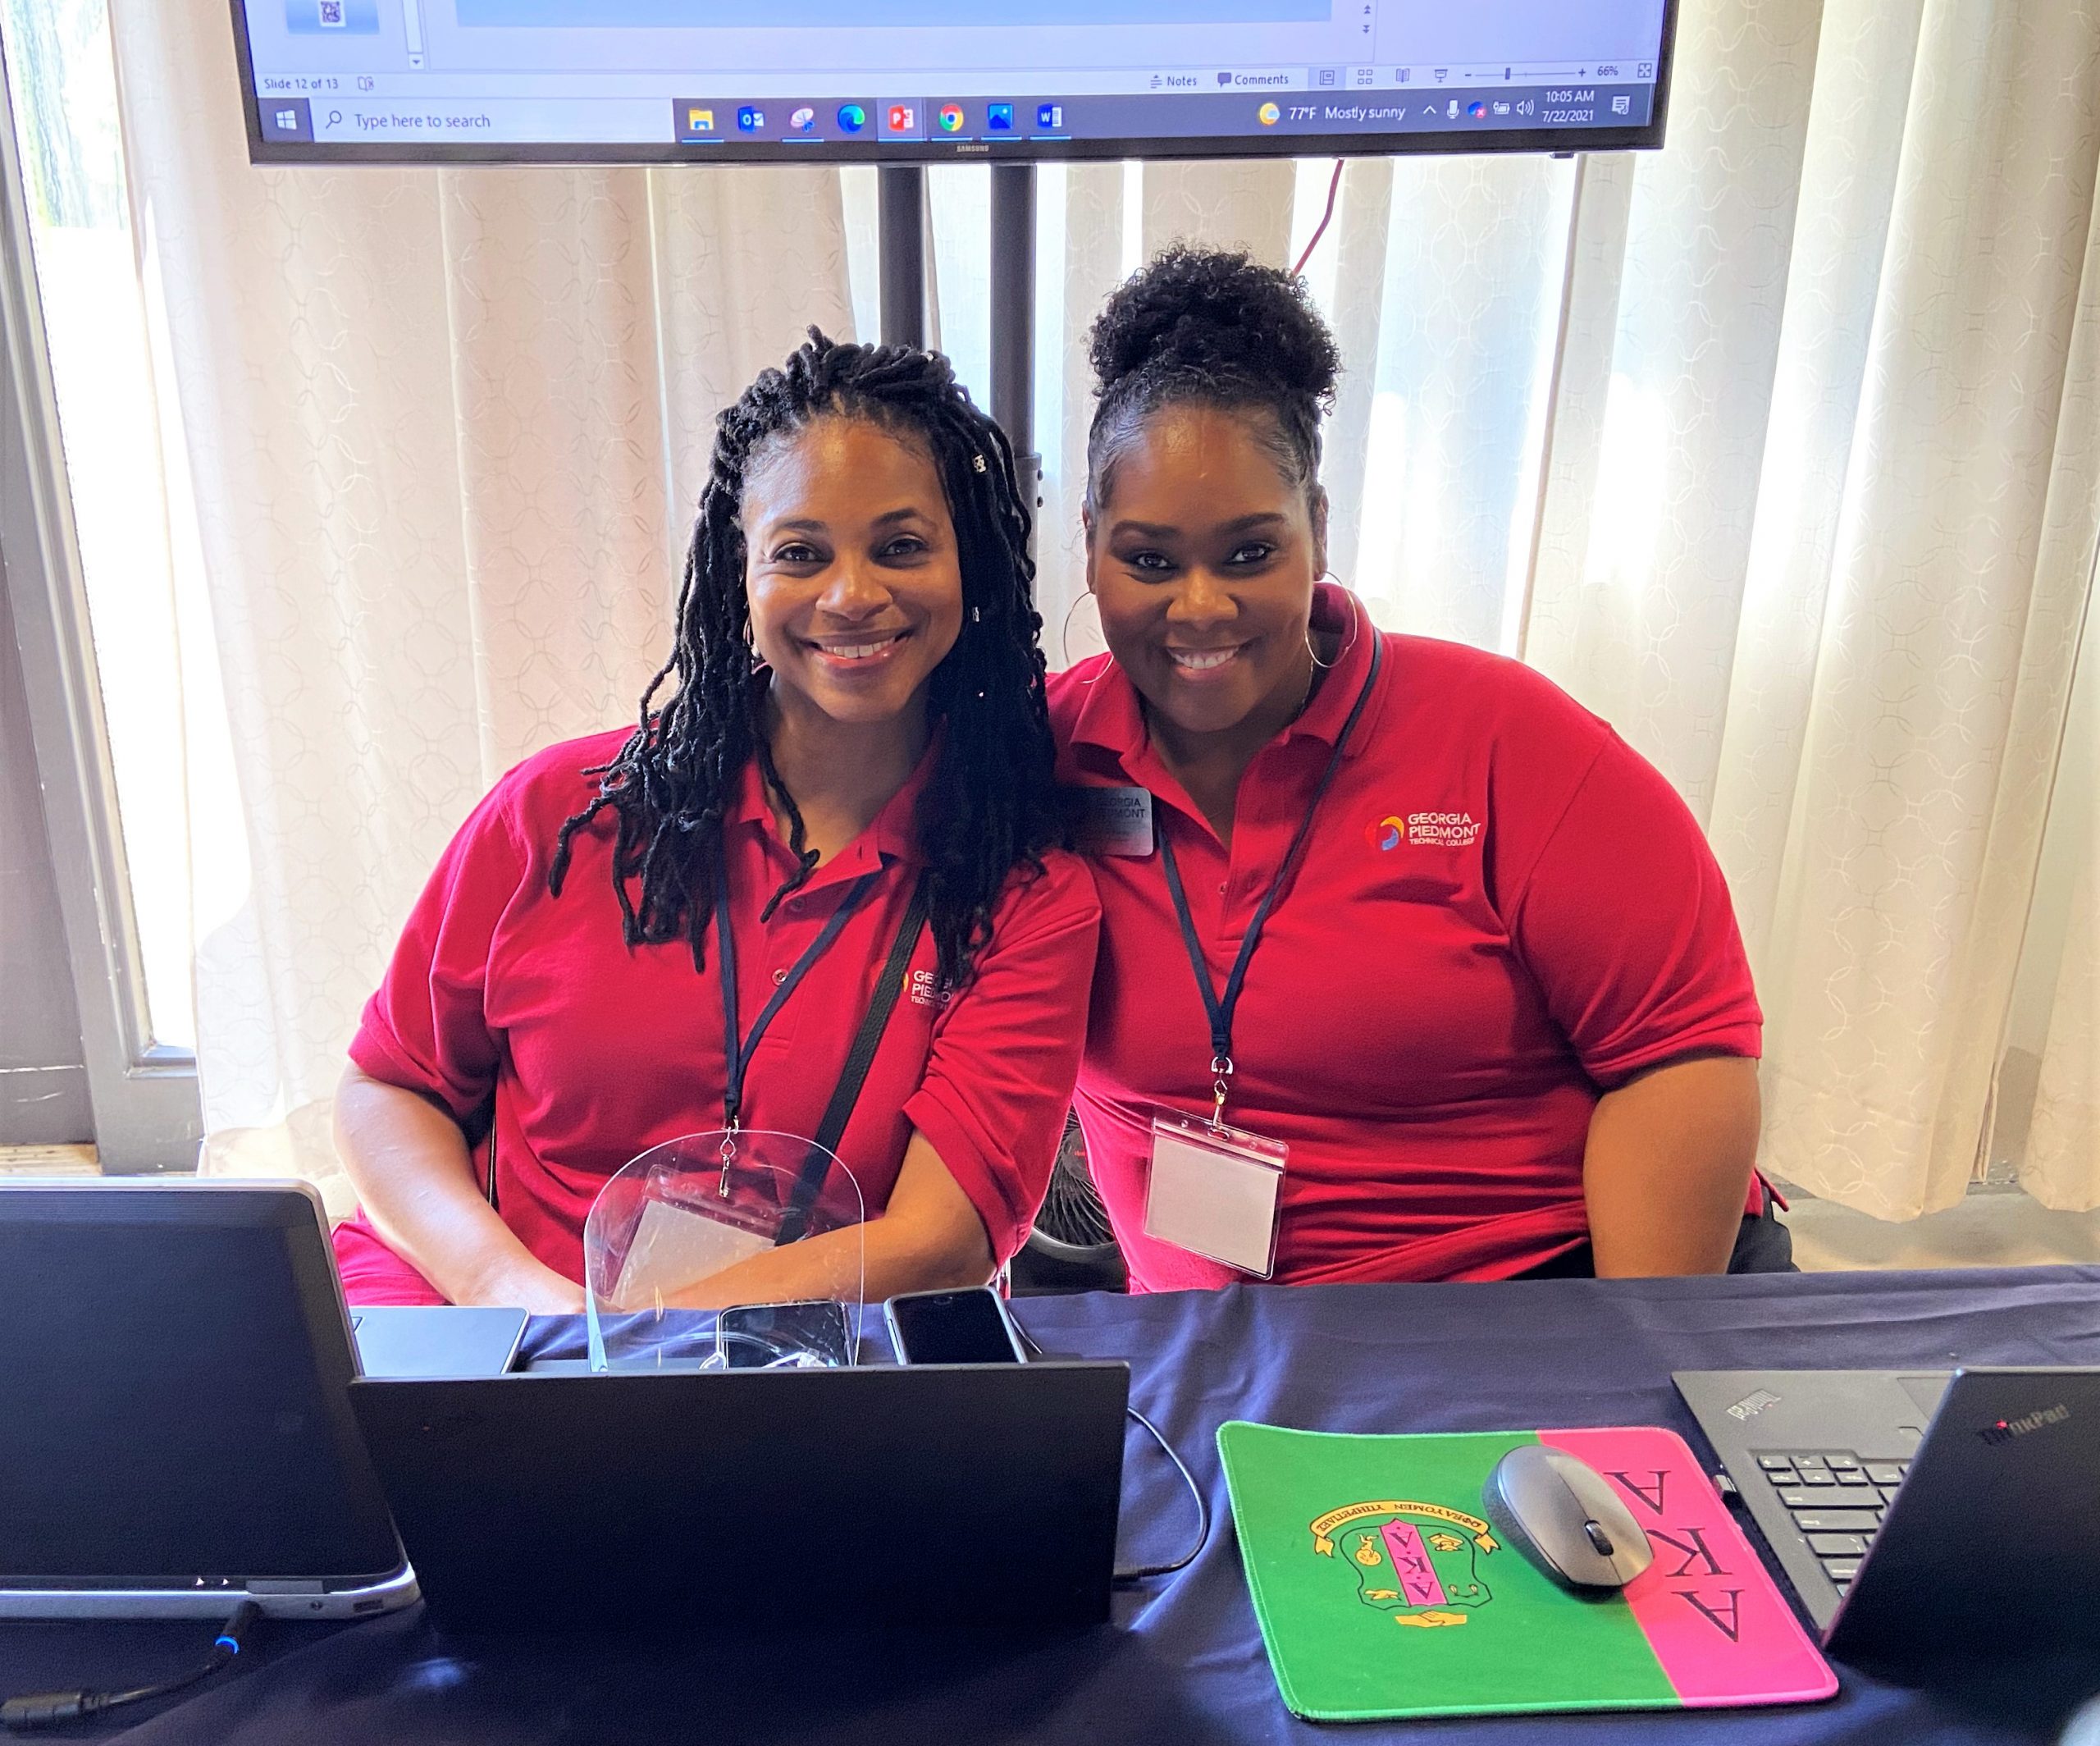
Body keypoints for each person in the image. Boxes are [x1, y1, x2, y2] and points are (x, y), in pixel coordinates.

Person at [1049, 247, 1782, 1291]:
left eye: (1251, 553)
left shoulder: (1505, 741)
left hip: (1534, 1293)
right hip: (1220, 1354)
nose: (1199, 606)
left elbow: (1682, 1058)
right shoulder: (1036, 760)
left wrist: (1623, 1365)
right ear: (1089, 543)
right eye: (1150, 559)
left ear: (1319, 528)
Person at [332, 332, 1098, 1310]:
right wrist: (505, 1291)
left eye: (901, 546)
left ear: (971, 567)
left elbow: (939, 1244)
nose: (851, 594)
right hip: (487, 1325)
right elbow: (389, 1086)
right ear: (738, 575)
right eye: (800, 553)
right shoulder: (560, 812)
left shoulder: (1023, 895)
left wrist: (631, 1341)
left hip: (784, 1367)